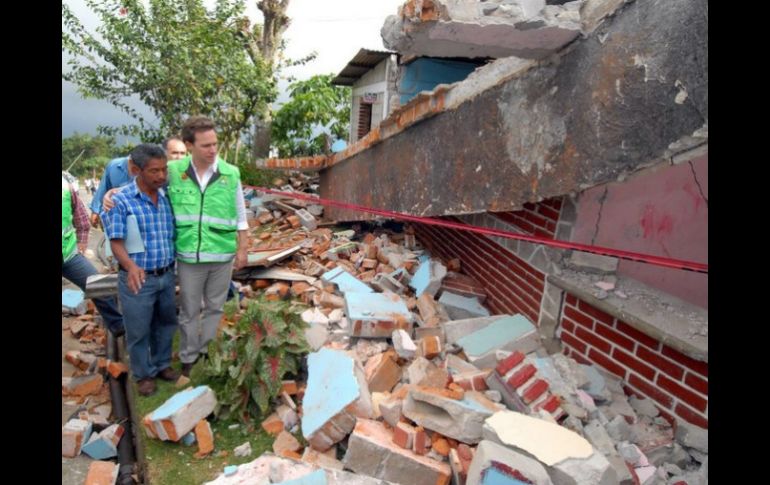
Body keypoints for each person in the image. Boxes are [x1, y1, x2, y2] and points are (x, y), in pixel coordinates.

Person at [168, 116, 249, 376]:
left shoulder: (230, 173)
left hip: (222, 253)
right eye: (205, 145)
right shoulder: (173, 172)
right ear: (189, 145)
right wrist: (113, 195)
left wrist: (243, 248)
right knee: (190, 309)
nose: (212, 150)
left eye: (215, 144)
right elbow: (141, 180)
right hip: (189, 255)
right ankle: (189, 356)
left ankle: (208, 352)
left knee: (215, 307)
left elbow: (240, 215)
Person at [102, 144, 180, 396]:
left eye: (164, 170)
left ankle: (162, 364)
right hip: (138, 278)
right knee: (138, 329)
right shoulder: (122, 200)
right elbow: (116, 241)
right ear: (136, 170)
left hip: (166, 274)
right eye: (154, 171)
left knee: (166, 323)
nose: (161, 176)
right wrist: (131, 266)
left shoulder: (167, 195)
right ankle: (143, 374)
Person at [61, 175, 125, 338]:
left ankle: (118, 326)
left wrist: (81, 241)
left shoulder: (65, 185)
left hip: (67, 255)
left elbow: (81, 217)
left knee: (98, 286)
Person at [90, 137, 188, 227]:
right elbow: (104, 187)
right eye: (174, 153)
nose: (179, 157)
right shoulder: (114, 166)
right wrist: (96, 209)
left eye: (183, 153)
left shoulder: (185, 173)